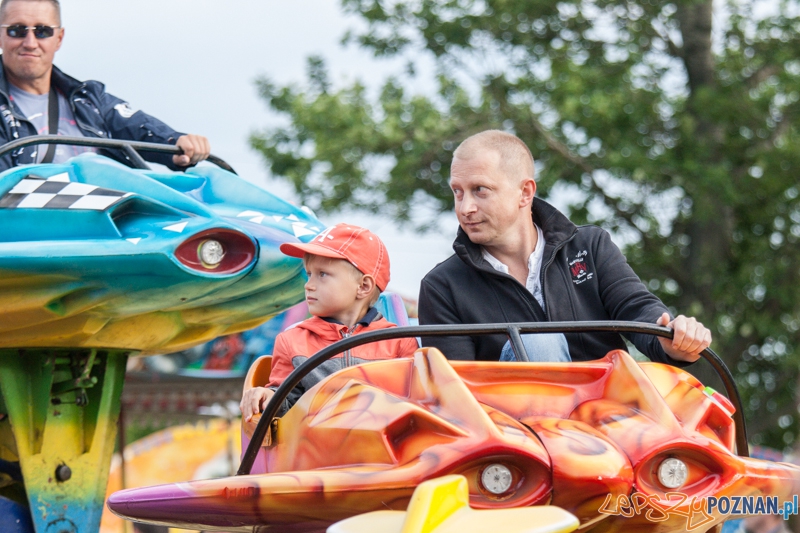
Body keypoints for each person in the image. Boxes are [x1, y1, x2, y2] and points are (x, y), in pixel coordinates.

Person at [418, 129, 712, 364]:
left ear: (525, 192)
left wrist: (674, 339)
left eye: (479, 190)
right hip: (514, 430)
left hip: (608, 420)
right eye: (458, 193)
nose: (465, 207)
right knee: (537, 340)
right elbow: (456, 394)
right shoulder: (441, 286)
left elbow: (638, 311)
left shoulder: (590, 246)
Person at [0, 0, 210, 170]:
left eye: (42, 31)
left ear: (59, 38)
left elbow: (138, 127)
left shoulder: (89, 99)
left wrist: (179, 143)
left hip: (111, 217)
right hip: (30, 220)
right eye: (17, 30)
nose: (30, 42)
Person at [240, 223, 419, 419]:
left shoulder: (398, 342)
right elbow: (286, 403)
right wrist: (268, 396)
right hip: (315, 446)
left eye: (322, 274)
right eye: (309, 274)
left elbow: (413, 405)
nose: (308, 285)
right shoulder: (293, 341)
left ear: (363, 286)